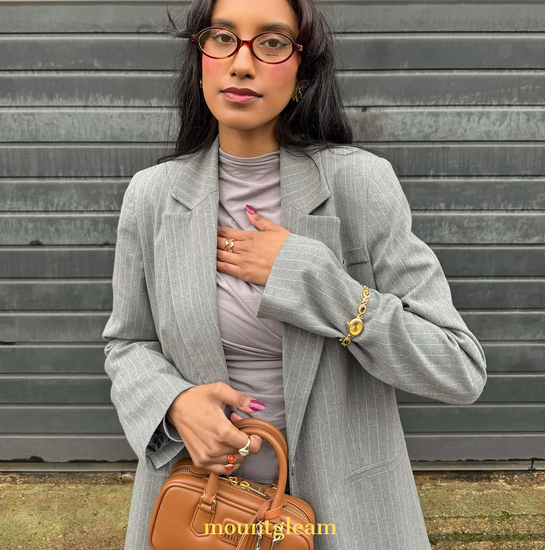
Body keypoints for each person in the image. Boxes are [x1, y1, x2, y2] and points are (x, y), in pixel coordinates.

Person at [102, 0, 488, 548]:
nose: (242, 64)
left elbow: (458, 367)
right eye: (222, 38)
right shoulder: (152, 196)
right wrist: (173, 404)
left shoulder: (360, 185)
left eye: (272, 43)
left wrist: (313, 281)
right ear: (200, 59)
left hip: (342, 518)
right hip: (198, 515)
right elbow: (128, 344)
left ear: (302, 72)